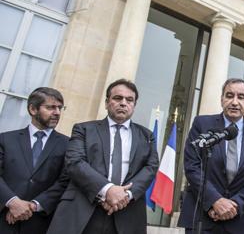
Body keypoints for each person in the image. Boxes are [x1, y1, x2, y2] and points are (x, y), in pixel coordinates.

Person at [47, 79, 159, 234]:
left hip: (127, 214)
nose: (123, 103)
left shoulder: (147, 136)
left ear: (134, 106)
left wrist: (124, 195)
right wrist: (108, 190)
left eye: (129, 100)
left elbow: (151, 167)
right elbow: (75, 162)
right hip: (82, 209)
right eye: (117, 98)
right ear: (107, 103)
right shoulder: (84, 129)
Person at [178, 78, 244, 234]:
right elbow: (192, 166)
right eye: (229, 95)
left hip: (239, 220)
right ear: (221, 100)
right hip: (203, 216)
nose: (234, 102)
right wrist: (215, 200)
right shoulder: (202, 124)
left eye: (241, 97)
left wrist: (235, 205)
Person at [0, 87, 69, 234]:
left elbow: (65, 181)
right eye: (50, 107)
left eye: (59, 108)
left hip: (40, 224)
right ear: (32, 109)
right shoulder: (5, 139)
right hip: (3, 219)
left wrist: (32, 206)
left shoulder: (69, 145)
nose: (57, 112)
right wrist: (12, 202)